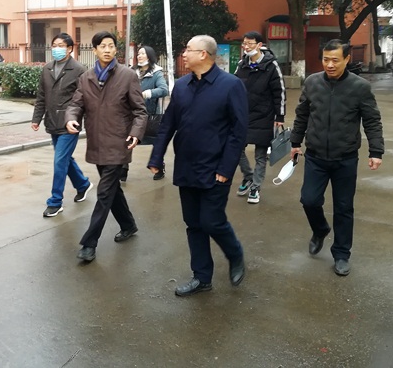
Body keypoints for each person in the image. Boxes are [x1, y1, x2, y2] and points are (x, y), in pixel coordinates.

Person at [148, 35, 248, 297]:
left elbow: (238, 132)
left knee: (212, 221)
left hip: (215, 169)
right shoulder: (182, 86)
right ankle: (202, 277)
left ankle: (235, 254)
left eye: (188, 50)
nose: (184, 54)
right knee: (193, 223)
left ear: (204, 54)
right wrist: (156, 158)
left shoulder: (231, 85)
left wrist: (226, 169)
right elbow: (168, 124)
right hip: (187, 167)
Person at [291, 39, 384, 276]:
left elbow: (372, 120)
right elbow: (302, 115)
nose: (330, 65)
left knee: (343, 208)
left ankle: (341, 254)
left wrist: (376, 151)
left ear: (346, 59)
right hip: (315, 156)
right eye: (325, 59)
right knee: (309, 200)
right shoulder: (312, 82)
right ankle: (320, 229)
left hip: (345, 158)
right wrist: (295, 143)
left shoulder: (360, 87)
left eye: (335, 60)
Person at [66, 31, 147, 263]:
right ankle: (128, 225)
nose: (108, 50)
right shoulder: (86, 78)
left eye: (111, 45)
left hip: (119, 143)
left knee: (103, 193)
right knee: (112, 190)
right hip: (97, 143)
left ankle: (89, 243)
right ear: (95, 50)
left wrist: (135, 133)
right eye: (103, 46)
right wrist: (71, 118)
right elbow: (76, 104)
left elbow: (140, 111)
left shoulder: (127, 76)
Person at [32, 32, 94, 218]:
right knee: (65, 159)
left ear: (69, 49)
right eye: (54, 45)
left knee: (59, 160)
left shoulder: (79, 70)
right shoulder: (47, 68)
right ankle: (83, 184)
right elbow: (42, 96)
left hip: (69, 124)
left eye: (61, 46)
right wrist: (36, 118)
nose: (56, 49)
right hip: (52, 121)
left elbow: (85, 99)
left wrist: (83, 121)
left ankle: (55, 201)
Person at [234, 31, 286, 204]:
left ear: (259, 45)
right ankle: (248, 176)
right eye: (244, 43)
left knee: (260, 155)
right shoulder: (242, 64)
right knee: (236, 148)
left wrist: (280, 116)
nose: (246, 47)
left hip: (264, 115)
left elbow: (280, 91)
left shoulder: (271, 65)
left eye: (250, 43)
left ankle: (255, 187)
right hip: (243, 114)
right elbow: (233, 86)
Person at [119, 45, 169, 181]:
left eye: (142, 53)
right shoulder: (131, 71)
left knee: (156, 141)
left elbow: (164, 89)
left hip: (148, 114)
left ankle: (158, 166)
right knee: (126, 139)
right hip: (130, 113)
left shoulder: (156, 73)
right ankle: (123, 169)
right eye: (139, 53)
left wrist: (147, 93)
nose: (139, 56)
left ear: (149, 56)